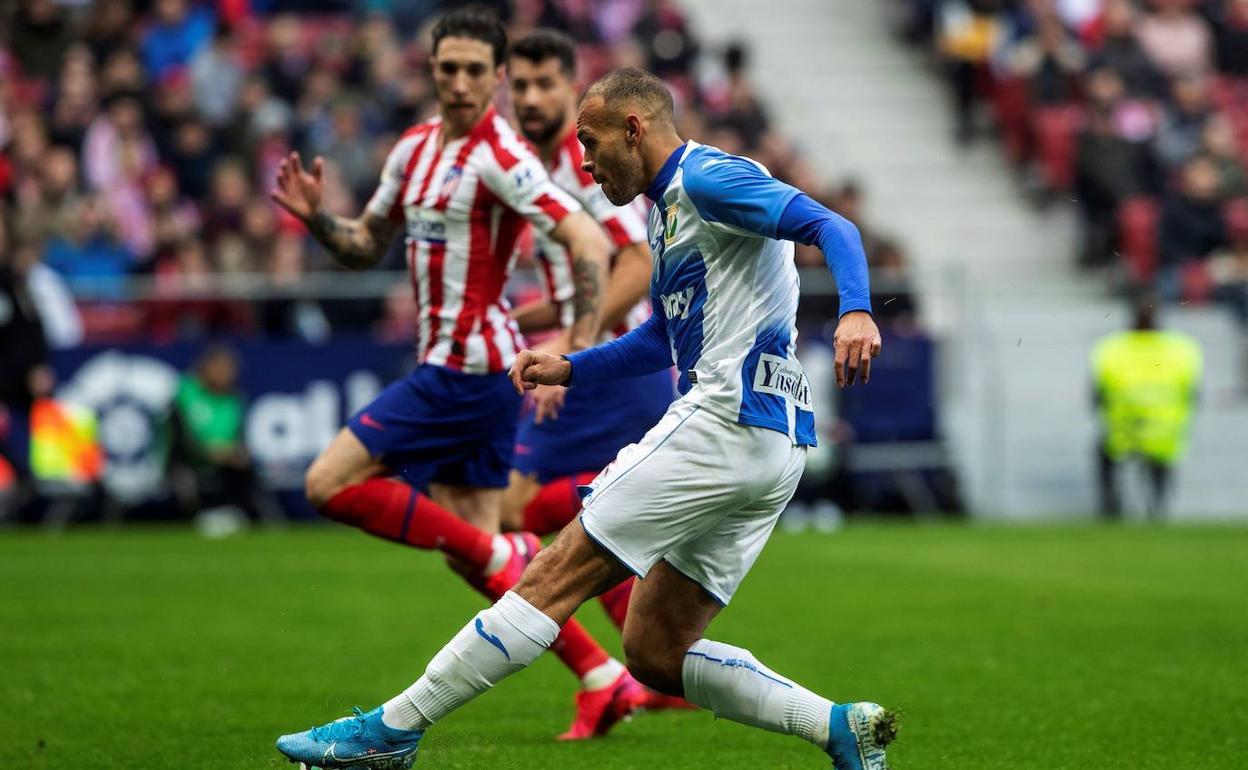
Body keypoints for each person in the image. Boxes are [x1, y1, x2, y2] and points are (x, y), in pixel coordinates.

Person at [275, 67, 895, 770]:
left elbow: (830, 224)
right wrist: (573, 365)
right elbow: (659, 338)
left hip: (724, 421)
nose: (585, 160)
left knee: (552, 573)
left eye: (593, 142)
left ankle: (388, 733)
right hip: (770, 447)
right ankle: (840, 729)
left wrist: (855, 308)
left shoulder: (708, 179)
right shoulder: (667, 216)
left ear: (636, 129)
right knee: (656, 652)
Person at [267, 8, 642, 741]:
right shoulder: (411, 151)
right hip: (461, 370)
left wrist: (576, 350)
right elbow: (366, 242)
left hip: (466, 372)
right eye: (450, 69)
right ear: (432, 71)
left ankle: (505, 555)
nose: (463, 83)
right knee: (479, 557)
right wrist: (317, 221)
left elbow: (589, 242)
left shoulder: (502, 155)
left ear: (496, 78)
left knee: (328, 482)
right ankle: (601, 676)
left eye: (477, 71)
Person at [502, 30, 679, 690]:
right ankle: (653, 666)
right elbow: (591, 278)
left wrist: (573, 348)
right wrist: (523, 322)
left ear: (574, 88)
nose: (531, 96)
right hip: (612, 363)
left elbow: (632, 263)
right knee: (572, 515)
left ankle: (605, 678)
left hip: (608, 370)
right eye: (519, 85)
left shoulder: (582, 171)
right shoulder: (538, 170)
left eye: (546, 82)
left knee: (507, 513)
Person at [1092, 300, 1202, 521]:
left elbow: (1096, 395)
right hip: (1165, 430)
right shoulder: (1181, 348)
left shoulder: (1112, 348)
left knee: (1105, 455)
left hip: (1123, 429)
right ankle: (1158, 504)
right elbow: (1193, 393)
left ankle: (1111, 505)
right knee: (1161, 460)